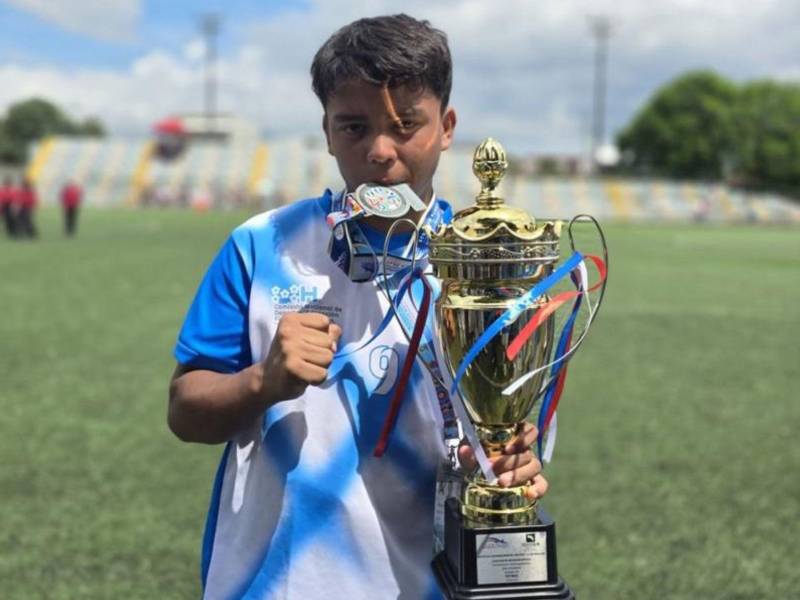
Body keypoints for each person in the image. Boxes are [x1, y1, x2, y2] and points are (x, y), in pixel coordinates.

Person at [168, 14, 547, 600]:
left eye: (406, 125)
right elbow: (185, 412)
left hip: (430, 583)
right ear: (326, 131)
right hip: (278, 584)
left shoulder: (489, 264)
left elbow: (516, 435)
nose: (379, 151)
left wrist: (509, 461)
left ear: (446, 127)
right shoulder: (261, 245)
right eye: (353, 126)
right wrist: (261, 381)